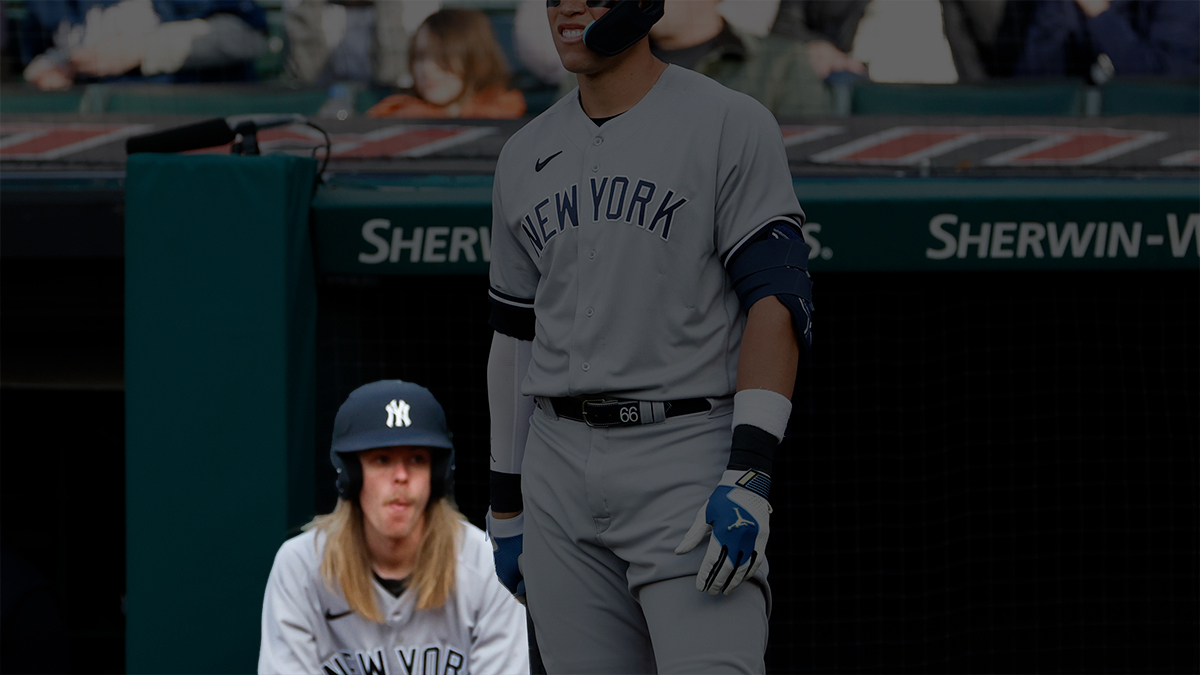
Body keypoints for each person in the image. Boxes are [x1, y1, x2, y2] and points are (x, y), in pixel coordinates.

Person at [485, 0, 813, 671]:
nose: (568, 7)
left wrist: (749, 470)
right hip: (558, 466)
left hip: (684, 458)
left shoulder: (729, 121)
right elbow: (516, 336)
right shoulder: (523, 153)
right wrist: (505, 502)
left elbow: (778, 300)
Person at [258, 380, 529, 675]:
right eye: (382, 459)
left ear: (436, 475)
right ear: (351, 475)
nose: (401, 476)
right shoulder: (301, 566)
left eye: (416, 458)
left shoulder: (488, 564)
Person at [20, 0, 267, 91]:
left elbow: (250, 37)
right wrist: (52, 67)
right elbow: (38, 50)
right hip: (95, 132)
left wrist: (144, 50)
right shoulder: (48, 5)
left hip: (186, 124)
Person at [366, 9, 526, 119]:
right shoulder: (392, 116)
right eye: (420, 56)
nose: (427, 69)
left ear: (475, 59)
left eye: (443, 57)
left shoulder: (508, 115)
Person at [1015, 0, 1199, 81]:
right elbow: (1034, 83)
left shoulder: (1182, 5)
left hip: (1158, 132)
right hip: (1073, 130)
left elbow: (1164, 79)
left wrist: (1100, 14)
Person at [282, 0, 440, 88]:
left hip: (390, 104)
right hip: (330, 107)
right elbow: (308, 76)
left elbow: (394, 75)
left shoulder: (417, 4)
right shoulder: (304, 5)